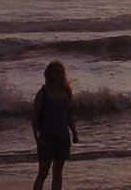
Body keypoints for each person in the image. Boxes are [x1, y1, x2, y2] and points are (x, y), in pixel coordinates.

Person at [32, 60, 80, 190]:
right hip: (46, 136)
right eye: (54, 72)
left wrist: (74, 133)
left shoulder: (67, 92)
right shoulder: (43, 92)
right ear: (49, 74)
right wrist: (36, 137)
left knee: (58, 171)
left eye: (60, 72)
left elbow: (69, 116)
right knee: (43, 173)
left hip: (63, 136)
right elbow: (35, 116)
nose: (57, 75)